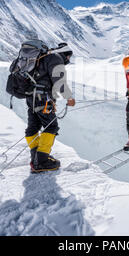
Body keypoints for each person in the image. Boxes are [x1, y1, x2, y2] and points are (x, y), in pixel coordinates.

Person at [25, 41, 76, 173]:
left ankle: (36, 157)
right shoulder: (56, 59)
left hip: (31, 97)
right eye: (69, 57)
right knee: (51, 126)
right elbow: (59, 82)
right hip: (43, 98)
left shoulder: (42, 57)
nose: (69, 60)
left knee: (33, 126)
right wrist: (69, 97)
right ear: (65, 54)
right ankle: (41, 162)